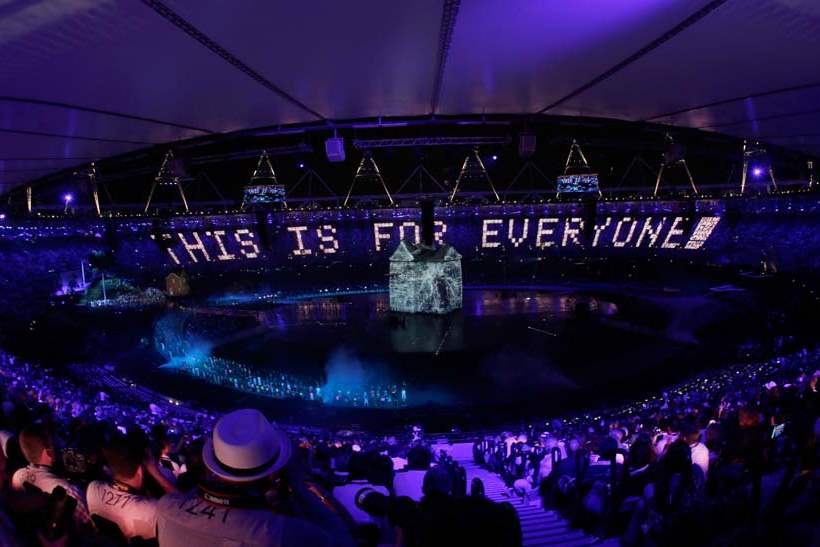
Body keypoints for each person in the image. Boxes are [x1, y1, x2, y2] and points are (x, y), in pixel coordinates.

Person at [156, 408, 354, 546]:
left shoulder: (166, 506)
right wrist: (299, 487)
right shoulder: (284, 533)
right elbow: (345, 541)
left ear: (214, 463)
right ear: (275, 472)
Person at [86, 432, 178, 540]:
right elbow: (183, 506)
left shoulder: (93, 488)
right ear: (140, 470)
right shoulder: (151, 509)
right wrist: (155, 471)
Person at [10, 423, 89, 521]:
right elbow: (92, 525)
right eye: (56, 442)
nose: (60, 445)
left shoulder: (17, 477)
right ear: (49, 452)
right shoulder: (70, 493)